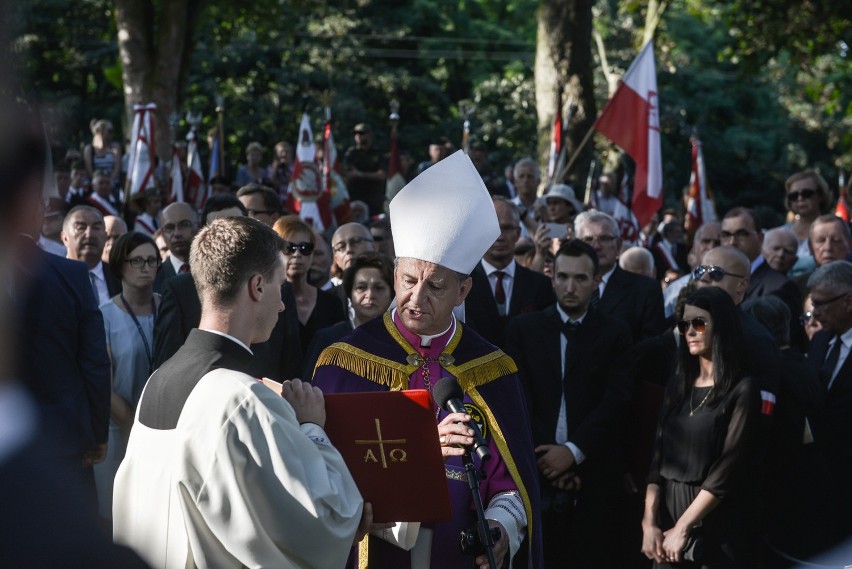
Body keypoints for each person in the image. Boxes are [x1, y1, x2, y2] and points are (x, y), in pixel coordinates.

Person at [312, 150, 542, 569]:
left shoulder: (492, 368)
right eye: (407, 280)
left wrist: (500, 528)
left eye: (435, 286)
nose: (416, 299)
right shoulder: (343, 364)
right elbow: (323, 478)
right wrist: (422, 452)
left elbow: (512, 482)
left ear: (463, 291)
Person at [113, 217, 366, 568]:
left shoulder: (157, 381)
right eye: (281, 287)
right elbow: (322, 520)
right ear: (258, 287)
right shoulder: (242, 398)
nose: (282, 305)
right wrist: (312, 428)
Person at [505, 239, 633, 568]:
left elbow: (616, 402)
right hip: (534, 470)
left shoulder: (616, 333)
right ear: (552, 278)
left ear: (596, 282)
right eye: (562, 277)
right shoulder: (523, 329)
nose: (570, 286)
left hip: (595, 476)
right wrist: (548, 458)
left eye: (580, 278)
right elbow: (519, 397)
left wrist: (573, 453)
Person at [642, 287, 763, 568]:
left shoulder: (743, 389)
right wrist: (648, 522)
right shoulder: (677, 385)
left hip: (716, 524)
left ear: (721, 327)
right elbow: (657, 459)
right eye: (684, 324)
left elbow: (728, 468)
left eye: (699, 323)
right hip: (666, 522)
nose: (690, 332)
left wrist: (684, 526)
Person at [94, 232, 161, 520]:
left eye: (151, 260)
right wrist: (136, 424)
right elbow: (101, 384)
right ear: (120, 265)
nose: (145, 267)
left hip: (164, 429)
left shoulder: (170, 307)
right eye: (137, 261)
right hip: (120, 431)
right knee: (116, 519)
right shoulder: (104, 315)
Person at [465, 197, 555, 349]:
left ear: (518, 232)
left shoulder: (540, 284)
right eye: (493, 228)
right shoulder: (461, 285)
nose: (500, 236)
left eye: (506, 228)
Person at [806, 261, 852, 545]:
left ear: (849, 301)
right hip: (820, 482)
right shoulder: (820, 340)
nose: (815, 313)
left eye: (821, 304)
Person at [575, 210, 665, 341]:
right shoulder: (563, 286)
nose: (596, 246)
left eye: (604, 238)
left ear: (618, 245)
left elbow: (651, 347)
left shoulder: (645, 290)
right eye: (588, 239)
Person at [303, 251, 395, 378]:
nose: (370, 295)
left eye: (379, 288)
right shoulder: (327, 338)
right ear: (350, 294)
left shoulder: (402, 340)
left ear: (392, 294)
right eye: (361, 287)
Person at [273, 216, 345, 350]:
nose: (297, 254)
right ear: (276, 252)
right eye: (289, 248)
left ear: (312, 254)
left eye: (304, 248)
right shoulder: (267, 302)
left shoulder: (332, 303)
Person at [61, 205, 122, 306]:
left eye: (96, 228)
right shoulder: (52, 278)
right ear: (65, 238)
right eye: (81, 227)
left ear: (105, 236)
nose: (89, 234)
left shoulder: (120, 278)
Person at [782, 169, 833, 276]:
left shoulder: (837, 230)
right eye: (794, 196)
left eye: (806, 193)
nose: (800, 198)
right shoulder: (780, 234)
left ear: (821, 195)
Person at [344, 123, 385, 217]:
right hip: (355, 198)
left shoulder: (377, 153)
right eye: (356, 134)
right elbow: (348, 174)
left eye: (361, 133)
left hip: (373, 199)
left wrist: (359, 174)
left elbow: (381, 175)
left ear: (369, 135)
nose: (358, 136)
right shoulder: (351, 153)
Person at [157, 202, 198, 285]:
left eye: (184, 225)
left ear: (199, 226)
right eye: (169, 228)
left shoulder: (216, 270)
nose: (177, 233)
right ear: (162, 234)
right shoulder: (154, 278)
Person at [83, 118, 121, 186]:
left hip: (112, 184)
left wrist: (108, 182)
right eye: (109, 131)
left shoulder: (115, 147)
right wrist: (99, 183)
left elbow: (117, 168)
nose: (112, 133)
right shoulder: (89, 149)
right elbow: (89, 170)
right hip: (95, 184)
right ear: (100, 132)